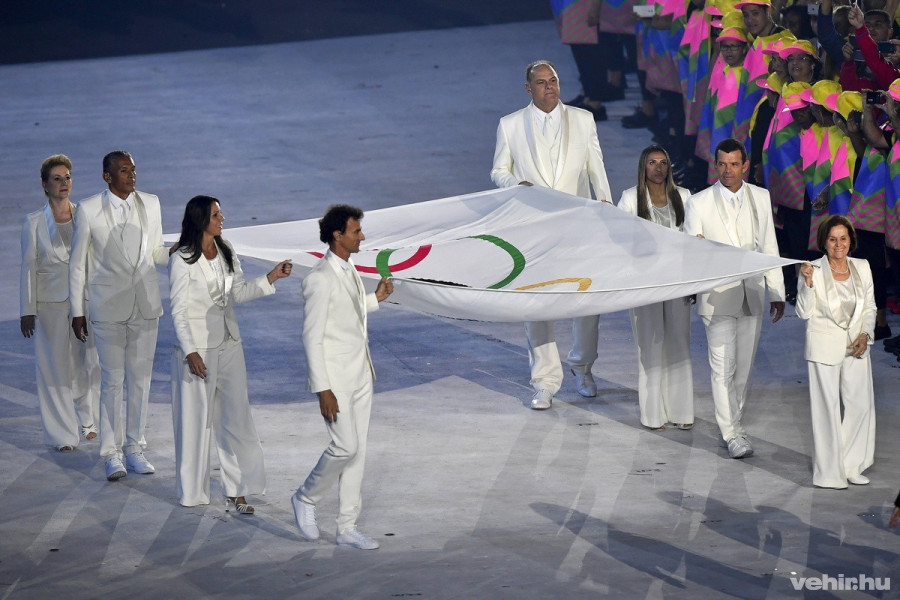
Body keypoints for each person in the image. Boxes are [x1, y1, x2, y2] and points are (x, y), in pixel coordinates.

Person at [490, 59, 613, 410]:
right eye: (542, 83)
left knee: (588, 302)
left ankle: (583, 366)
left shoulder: (582, 118)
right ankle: (544, 381)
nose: (550, 87)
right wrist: (516, 183)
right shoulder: (510, 125)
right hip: (534, 230)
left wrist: (606, 209)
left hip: (579, 226)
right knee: (537, 305)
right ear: (529, 89)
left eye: (554, 81)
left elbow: (596, 168)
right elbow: (499, 170)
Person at [169, 195, 292, 513]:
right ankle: (192, 493)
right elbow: (178, 311)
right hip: (199, 351)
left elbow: (237, 293)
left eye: (221, 213)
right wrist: (191, 351)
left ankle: (239, 491)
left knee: (237, 419)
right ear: (201, 220)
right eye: (216, 214)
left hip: (229, 345)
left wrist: (271, 277)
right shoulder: (182, 259)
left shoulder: (226, 250)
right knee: (196, 423)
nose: (222, 219)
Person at [291, 204, 393, 550]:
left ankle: (347, 526)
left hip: (361, 374)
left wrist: (374, 300)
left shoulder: (347, 269)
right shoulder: (318, 279)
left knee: (358, 451)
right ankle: (306, 497)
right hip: (335, 381)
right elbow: (311, 336)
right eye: (356, 231)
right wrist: (323, 389)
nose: (362, 236)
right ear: (338, 235)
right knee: (345, 446)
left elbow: (347, 313)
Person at [69, 151, 169, 481]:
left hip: (145, 304)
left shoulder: (151, 203)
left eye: (134, 169)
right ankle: (111, 453)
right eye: (123, 171)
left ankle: (135, 447)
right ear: (107, 177)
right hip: (107, 306)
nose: (131, 175)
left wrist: (187, 252)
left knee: (140, 380)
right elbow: (78, 263)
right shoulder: (88, 209)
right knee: (112, 381)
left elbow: (155, 251)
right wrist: (77, 310)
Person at [684, 138, 786, 459]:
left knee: (743, 369)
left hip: (752, 292)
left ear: (745, 165)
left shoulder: (760, 197)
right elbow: (689, 251)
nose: (728, 170)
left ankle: (734, 423)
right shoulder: (698, 203)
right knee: (722, 367)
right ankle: (731, 432)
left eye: (734, 164)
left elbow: (769, 247)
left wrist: (778, 291)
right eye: (722, 164)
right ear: (715, 165)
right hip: (716, 297)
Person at [20, 154, 99, 452]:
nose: (64, 183)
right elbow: (28, 267)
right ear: (45, 185)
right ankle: (62, 435)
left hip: (85, 301)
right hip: (50, 304)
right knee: (53, 368)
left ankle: (87, 418)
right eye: (57, 178)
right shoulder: (34, 223)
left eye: (67, 177)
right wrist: (27, 309)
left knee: (87, 363)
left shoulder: (85, 215)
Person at [617, 145, 694, 430]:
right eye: (652, 163)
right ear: (643, 167)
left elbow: (694, 239)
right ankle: (652, 414)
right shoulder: (628, 199)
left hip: (677, 282)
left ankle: (682, 412)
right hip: (645, 284)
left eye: (663, 163)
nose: (658, 168)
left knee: (679, 344)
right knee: (650, 345)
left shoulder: (684, 197)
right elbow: (620, 241)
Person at [796, 216, 876, 488]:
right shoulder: (813, 269)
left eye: (843, 238)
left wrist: (866, 334)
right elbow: (804, 312)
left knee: (859, 406)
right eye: (832, 239)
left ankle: (851, 465)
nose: (838, 244)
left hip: (856, 345)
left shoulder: (862, 267)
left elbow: (870, 308)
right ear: (824, 242)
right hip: (823, 347)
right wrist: (806, 284)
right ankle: (829, 474)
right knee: (826, 411)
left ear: (851, 241)